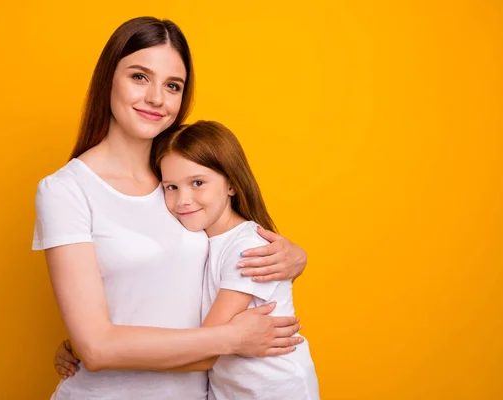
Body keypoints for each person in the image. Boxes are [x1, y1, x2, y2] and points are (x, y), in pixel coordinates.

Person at [33, 17, 308, 399]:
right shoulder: (66, 190)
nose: (157, 99)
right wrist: (229, 339)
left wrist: (295, 257)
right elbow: (97, 348)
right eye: (139, 77)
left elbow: (229, 253)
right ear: (108, 79)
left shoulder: (184, 182)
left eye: (172, 86)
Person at [55, 121, 320, 399]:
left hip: (275, 391)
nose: (183, 200)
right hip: (230, 391)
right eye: (171, 187)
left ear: (231, 183)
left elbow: (206, 351)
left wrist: (97, 353)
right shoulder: (197, 239)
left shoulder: (248, 249)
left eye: (197, 183)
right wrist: (81, 343)